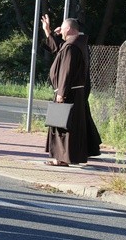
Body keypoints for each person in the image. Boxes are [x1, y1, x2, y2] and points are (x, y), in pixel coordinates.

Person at [41, 15, 102, 166]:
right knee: (69, 125)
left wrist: (61, 92)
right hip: (75, 92)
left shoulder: (71, 46)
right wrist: (48, 32)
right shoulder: (77, 43)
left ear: (68, 28)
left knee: (62, 125)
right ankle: (68, 157)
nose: (60, 31)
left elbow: (66, 71)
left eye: (62, 28)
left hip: (68, 92)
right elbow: (58, 48)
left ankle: (62, 159)